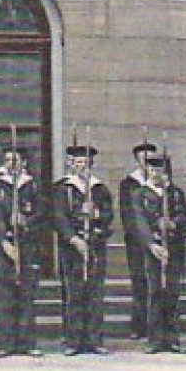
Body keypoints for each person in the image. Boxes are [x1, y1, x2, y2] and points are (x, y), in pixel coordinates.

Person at [52, 144, 113, 355]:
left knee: (95, 293)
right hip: (71, 248)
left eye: (86, 163)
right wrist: (73, 239)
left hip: (95, 245)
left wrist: (96, 218)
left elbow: (108, 216)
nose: (82, 167)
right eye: (78, 162)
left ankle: (94, 339)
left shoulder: (100, 189)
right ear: (70, 164)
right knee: (73, 293)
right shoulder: (63, 188)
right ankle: (73, 340)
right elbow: (58, 217)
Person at [0, 143, 45, 358]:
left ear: (25, 163)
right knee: (5, 294)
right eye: (8, 160)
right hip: (5, 246)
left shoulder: (33, 185)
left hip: (28, 245)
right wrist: (4, 241)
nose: (12, 165)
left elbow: (42, 212)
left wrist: (26, 221)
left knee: (27, 294)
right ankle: (6, 342)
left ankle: (27, 342)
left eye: (17, 161)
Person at [132, 151, 186, 354]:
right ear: (147, 170)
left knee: (173, 292)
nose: (156, 173)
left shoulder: (174, 193)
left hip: (173, 247)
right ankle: (155, 339)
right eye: (153, 169)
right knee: (155, 292)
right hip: (153, 249)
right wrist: (151, 244)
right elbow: (139, 222)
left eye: (160, 169)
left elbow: (183, 215)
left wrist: (173, 223)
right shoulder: (140, 194)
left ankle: (172, 338)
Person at [119, 139, 155, 340]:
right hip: (136, 240)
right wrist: (140, 236)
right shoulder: (129, 184)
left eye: (150, 159)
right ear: (137, 161)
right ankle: (139, 325)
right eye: (143, 159)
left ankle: (155, 325)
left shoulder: (160, 183)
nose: (147, 163)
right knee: (140, 280)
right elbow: (127, 214)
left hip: (158, 238)